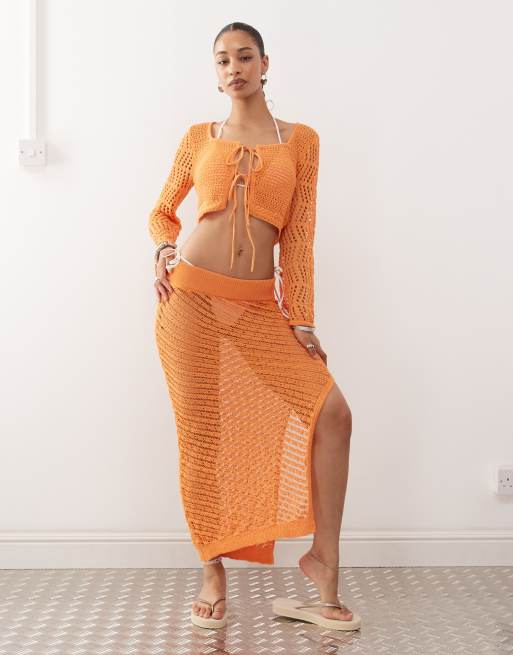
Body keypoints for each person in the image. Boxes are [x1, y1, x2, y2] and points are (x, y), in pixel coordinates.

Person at [149, 22, 360, 631]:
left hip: (259, 308)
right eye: (222, 60)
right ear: (215, 74)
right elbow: (162, 209)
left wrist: (301, 318)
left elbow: (299, 237)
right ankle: (211, 571)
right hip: (189, 302)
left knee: (333, 413)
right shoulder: (200, 137)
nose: (233, 68)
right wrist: (163, 247)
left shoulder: (301, 141)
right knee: (202, 437)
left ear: (265, 64)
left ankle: (324, 569)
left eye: (244, 56)